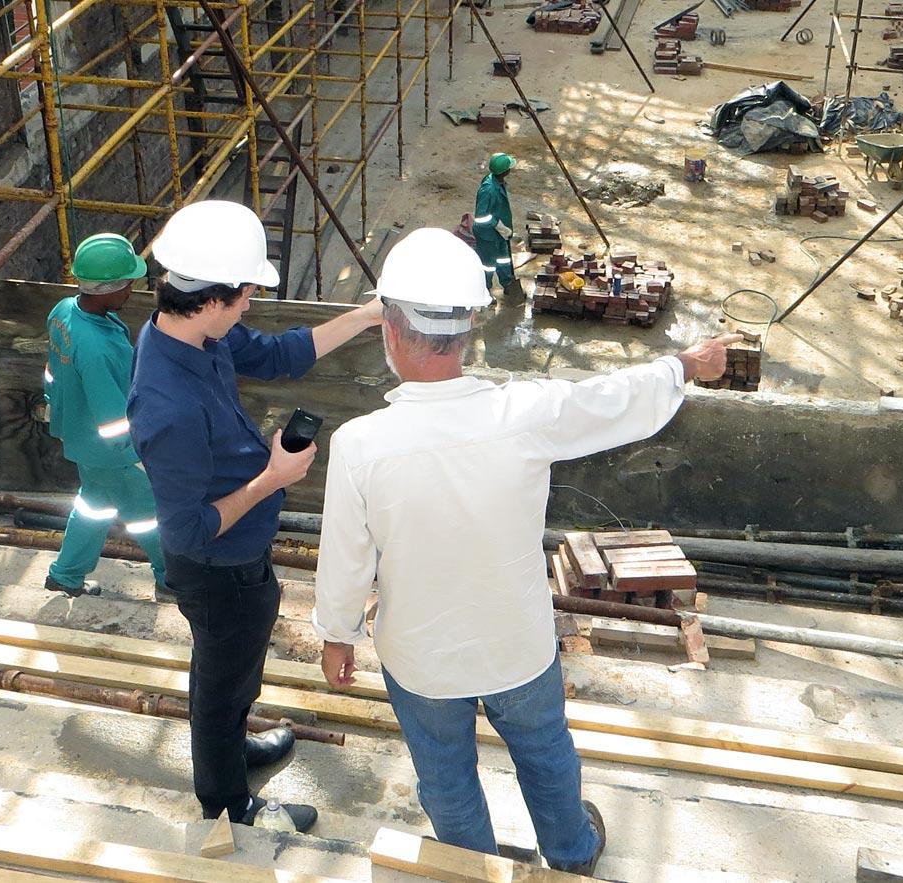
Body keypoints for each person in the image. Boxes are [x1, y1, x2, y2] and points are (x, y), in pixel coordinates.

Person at [309, 227, 742, 875]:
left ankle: (476, 869)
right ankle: (571, 853)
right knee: (545, 752)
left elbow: (346, 560)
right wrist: (684, 363)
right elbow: (612, 399)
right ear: (470, 329)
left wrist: (335, 636)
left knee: (447, 781)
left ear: (390, 333)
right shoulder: (524, 414)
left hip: (423, 659)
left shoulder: (361, 444)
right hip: (518, 646)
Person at [127, 199, 385, 832]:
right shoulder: (169, 407)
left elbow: (275, 355)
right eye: (245, 296)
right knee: (219, 686)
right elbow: (184, 530)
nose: (250, 306)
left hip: (242, 557)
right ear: (211, 298)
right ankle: (227, 802)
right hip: (216, 568)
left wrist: (369, 316)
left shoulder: (193, 329)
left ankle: (235, 748)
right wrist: (271, 479)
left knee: (235, 673)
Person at [40, 233, 166, 598]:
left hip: (82, 440)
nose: (132, 290)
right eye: (127, 284)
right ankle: (174, 580)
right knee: (153, 517)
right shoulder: (97, 350)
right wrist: (138, 456)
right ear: (106, 289)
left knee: (94, 506)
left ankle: (66, 574)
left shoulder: (63, 311)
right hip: (116, 453)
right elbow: (113, 419)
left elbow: (53, 372)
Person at [472, 152, 521, 300]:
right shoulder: (488, 190)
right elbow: (481, 217)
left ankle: (508, 284)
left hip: (499, 235)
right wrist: (498, 225)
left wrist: (503, 229)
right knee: (487, 265)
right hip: (487, 236)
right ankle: (484, 292)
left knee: (503, 259)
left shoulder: (497, 182)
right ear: (504, 171)